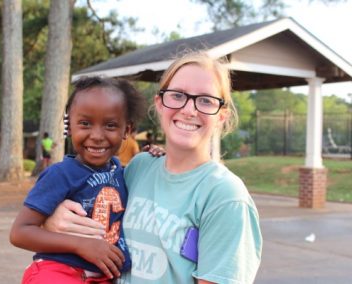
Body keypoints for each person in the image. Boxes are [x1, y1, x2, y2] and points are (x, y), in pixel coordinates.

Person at [45, 51, 263, 283]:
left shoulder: (225, 196)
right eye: (178, 95)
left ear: (221, 116)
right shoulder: (140, 167)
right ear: (159, 103)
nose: (189, 110)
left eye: (206, 100)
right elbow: (93, 209)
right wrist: (52, 220)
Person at [10, 77, 147, 284]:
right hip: (58, 273)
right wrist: (79, 244)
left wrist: (155, 154)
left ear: (126, 130)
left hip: (104, 277)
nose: (97, 135)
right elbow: (20, 232)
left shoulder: (122, 172)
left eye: (110, 125)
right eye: (85, 123)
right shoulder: (60, 174)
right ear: (69, 127)